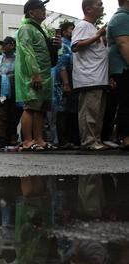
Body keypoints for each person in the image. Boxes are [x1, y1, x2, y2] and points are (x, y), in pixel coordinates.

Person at [16, 0, 61, 152]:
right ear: (31, 12)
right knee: (30, 107)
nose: (44, 11)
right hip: (33, 75)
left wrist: (56, 47)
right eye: (41, 8)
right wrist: (35, 73)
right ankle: (28, 141)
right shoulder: (27, 28)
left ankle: (39, 140)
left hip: (44, 74)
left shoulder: (39, 29)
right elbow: (27, 52)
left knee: (40, 108)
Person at [72, 0, 109, 151]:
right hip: (89, 78)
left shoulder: (91, 27)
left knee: (97, 112)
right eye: (98, 4)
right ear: (88, 9)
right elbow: (75, 46)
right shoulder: (82, 26)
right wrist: (97, 36)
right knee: (89, 111)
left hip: (98, 77)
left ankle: (96, 140)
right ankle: (89, 142)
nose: (102, 6)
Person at [53, 21, 80, 150]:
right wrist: (66, 84)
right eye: (71, 29)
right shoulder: (63, 45)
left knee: (70, 111)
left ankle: (69, 139)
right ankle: (63, 140)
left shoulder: (71, 44)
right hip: (64, 81)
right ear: (64, 32)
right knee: (63, 111)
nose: (73, 31)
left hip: (72, 80)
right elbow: (61, 65)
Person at [107, 0, 129, 150]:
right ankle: (126, 138)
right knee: (127, 103)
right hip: (123, 68)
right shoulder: (121, 17)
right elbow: (123, 44)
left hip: (123, 67)